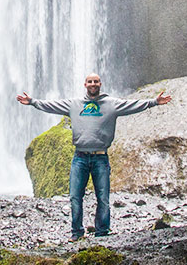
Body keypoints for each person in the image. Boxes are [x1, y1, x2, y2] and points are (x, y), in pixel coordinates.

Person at [17, 74, 172, 240]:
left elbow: (132, 105)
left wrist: (154, 102)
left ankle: (102, 233)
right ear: (85, 84)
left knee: (103, 197)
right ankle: (77, 233)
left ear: (100, 84)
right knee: (75, 197)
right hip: (80, 157)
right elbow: (52, 105)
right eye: (90, 82)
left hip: (100, 158)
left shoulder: (112, 104)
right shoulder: (74, 104)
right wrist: (33, 101)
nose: (93, 84)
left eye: (95, 82)